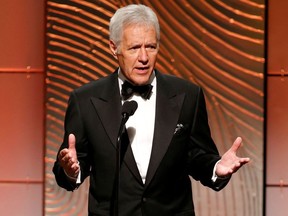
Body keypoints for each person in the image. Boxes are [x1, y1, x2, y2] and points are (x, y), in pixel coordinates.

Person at [53, 4, 250, 216]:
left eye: (151, 47)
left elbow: (198, 156)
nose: (144, 57)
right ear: (113, 47)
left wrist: (216, 168)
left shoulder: (187, 95)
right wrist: (70, 170)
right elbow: (73, 164)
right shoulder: (85, 100)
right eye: (134, 48)